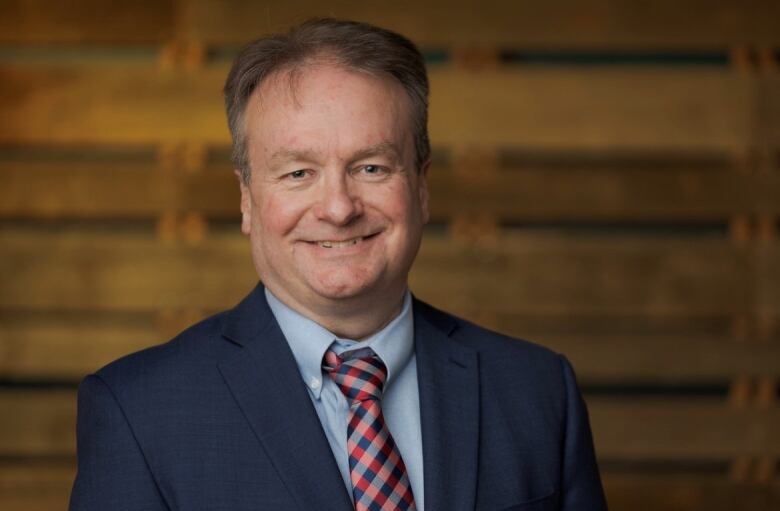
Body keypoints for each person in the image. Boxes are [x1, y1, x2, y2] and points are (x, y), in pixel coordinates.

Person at [69, 18, 607, 511]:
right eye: (298, 173)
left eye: (371, 166)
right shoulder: (138, 411)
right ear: (246, 199)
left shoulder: (537, 391)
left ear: (420, 187)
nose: (338, 207)